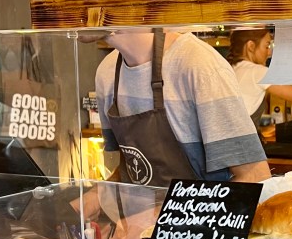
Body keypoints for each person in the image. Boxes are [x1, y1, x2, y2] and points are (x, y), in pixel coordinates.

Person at [96, 27, 270, 187]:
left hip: (198, 220)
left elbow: (255, 177)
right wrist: (93, 198)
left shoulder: (200, 65)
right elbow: (135, 168)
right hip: (134, 221)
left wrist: (158, 214)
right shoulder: (107, 71)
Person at [226, 27, 292, 126]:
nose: (269, 53)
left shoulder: (232, 69)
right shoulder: (256, 71)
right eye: (266, 46)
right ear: (251, 46)